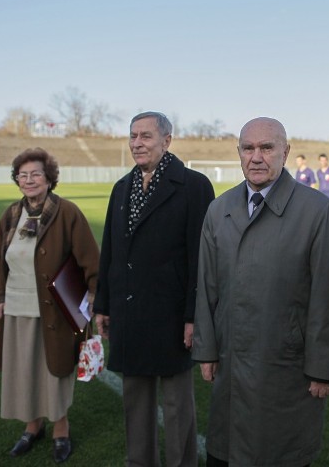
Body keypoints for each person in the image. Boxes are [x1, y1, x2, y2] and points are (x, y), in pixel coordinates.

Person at [193, 117, 329, 466]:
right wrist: (207, 349)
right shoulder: (220, 209)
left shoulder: (317, 210)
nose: (256, 156)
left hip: (284, 365)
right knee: (226, 450)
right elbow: (207, 285)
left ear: (285, 152)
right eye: (248, 148)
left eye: (267, 147)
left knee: (280, 453)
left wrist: (323, 366)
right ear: (239, 153)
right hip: (232, 363)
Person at [94, 112, 214, 467]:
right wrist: (104, 304)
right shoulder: (121, 188)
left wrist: (194, 316)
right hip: (128, 312)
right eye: (132, 136)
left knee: (178, 405)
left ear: (167, 140)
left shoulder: (193, 186)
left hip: (172, 314)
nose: (137, 143)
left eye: (145, 136)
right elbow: (110, 253)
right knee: (136, 402)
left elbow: (200, 259)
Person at [0, 147, 100, 463]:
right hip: (17, 309)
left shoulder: (67, 213)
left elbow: (90, 259)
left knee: (55, 371)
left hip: (55, 311)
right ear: (16, 180)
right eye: (23, 175)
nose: (29, 180)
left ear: (49, 178)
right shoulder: (10, 214)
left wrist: (93, 297)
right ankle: (32, 426)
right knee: (23, 371)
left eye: (36, 173)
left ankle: (61, 429)